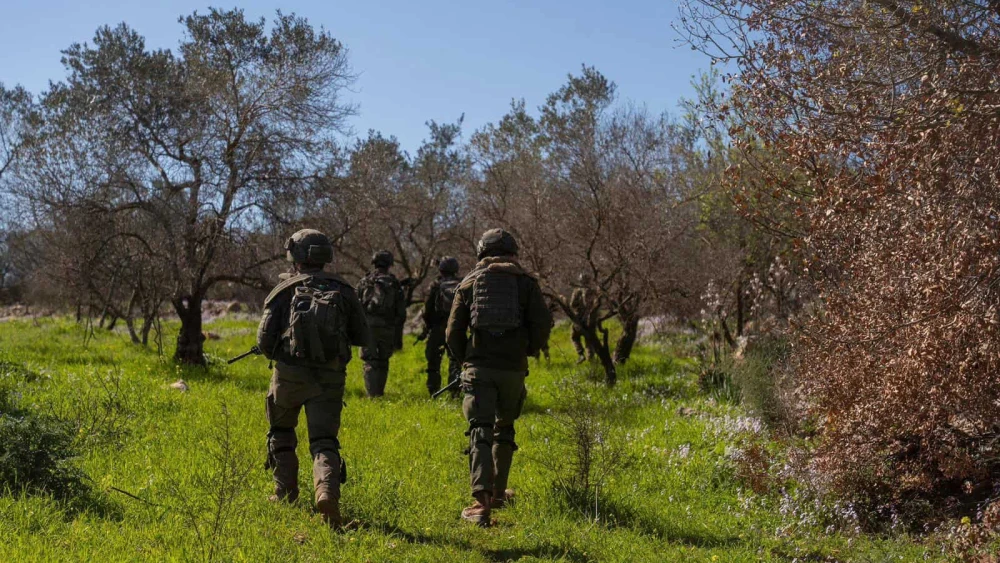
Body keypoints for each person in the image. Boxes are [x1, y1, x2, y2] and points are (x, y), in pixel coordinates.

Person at [256, 229, 370, 527]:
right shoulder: (344, 290)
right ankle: (326, 492)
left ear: (294, 255)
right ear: (325, 255)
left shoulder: (282, 292)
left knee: (281, 432)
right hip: (330, 378)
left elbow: (265, 342)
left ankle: (285, 493)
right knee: (324, 440)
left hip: (289, 378)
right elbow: (362, 335)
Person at [446, 228, 552, 526]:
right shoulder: (527, 284)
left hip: (479, 368)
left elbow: (453, 331)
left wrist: (464, 360)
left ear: (481, 252)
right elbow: (543, 324)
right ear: (512, 252)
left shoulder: (468, 283)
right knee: (504, 428)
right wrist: (526, 351)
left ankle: (481, 505)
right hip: (513, 370)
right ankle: (498, 494)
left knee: (480, 429)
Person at [357, 250, 407, 397]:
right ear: (390, 264)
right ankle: (379, 393)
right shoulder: (394, 283)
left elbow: (355, 305)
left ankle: (372, 396)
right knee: (383, 360)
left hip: (368, 327)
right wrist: (397, 328)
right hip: (388, 327)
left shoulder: (364, 281)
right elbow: (401, 311)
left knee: (369, 361)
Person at [419, 256, 462, 397]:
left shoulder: (436, 285)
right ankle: (455, 391)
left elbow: (427, 309)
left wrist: (427, 326)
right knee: (455, 361)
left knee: (433, 362)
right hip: (456, 329)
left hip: (437, 329)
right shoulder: (462, 284)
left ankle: (433, 390)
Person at [570, 273, 599, 363]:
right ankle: (591, 359)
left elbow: (572, 304)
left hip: (579, 319)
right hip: (590, 319)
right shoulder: (593, 291)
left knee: (574, 337)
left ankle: (581, 354)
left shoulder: (577, 291)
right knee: (589, 340)